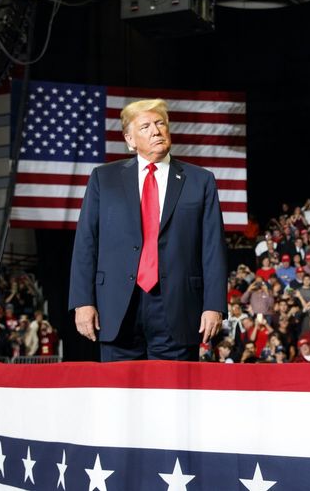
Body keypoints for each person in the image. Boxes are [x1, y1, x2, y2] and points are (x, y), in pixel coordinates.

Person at [69, 98, 227, 362]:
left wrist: (214, 305)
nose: (156, 131)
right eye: (145, 126)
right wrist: (82, 301)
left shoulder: (201, 181)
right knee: (119, 396)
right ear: (130, 139)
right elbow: (86, 242)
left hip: (178, 307)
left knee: (172, 397)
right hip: (117, 307)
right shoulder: (103, 178)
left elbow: (213, 248)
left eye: (160, 123)